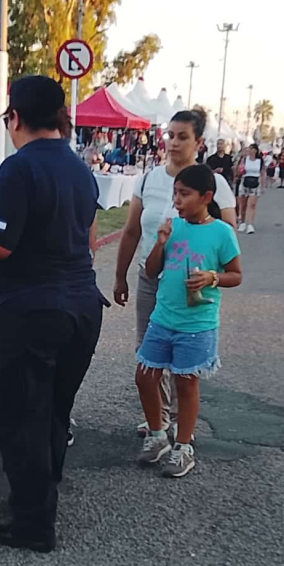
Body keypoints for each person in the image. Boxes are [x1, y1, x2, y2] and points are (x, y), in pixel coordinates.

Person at [0, 76, 105, 553]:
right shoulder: (80, 169)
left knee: (21, 417)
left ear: (14, 119)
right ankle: (43, 487)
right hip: (81, 306)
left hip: (29, 310)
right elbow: (90, 238)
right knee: (54, 407)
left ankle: (32, 522)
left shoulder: (18, 168)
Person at [113, 108, 237, 440]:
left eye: (183, 137)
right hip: (151, 276)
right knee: (149, 352)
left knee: (184, 356)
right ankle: (159, 418)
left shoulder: (214, 184)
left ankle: (184, 425)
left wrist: (211, 275)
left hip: (190, 281)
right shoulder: (150, 179)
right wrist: (120, 275)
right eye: (170, 135)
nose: (174, 142)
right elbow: (131, 231)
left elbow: (228, 232)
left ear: (198, 141)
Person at [135, 164, 242, 476]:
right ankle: (157, 437)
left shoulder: (222, 232)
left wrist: (212, 277)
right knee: (145, 376)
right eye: (175, 194)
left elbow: (236, 275)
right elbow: (151, 271)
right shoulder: (173, 227)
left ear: (206, 196)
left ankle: (183, 447)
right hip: (162, 317)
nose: (177, 201)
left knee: (186, 383)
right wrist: (160, 241)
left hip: (196, 324)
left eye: (184, 194)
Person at [237, 144, 263, 234]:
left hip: (255, 182)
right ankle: (243, 222)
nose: (250, 151)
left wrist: (263, 185)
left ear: (255, 150)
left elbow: (263, 172)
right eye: (249, 149)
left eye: (252, 149)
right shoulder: (245, 159)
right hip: (245, 181)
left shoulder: (259, 161)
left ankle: (250, 224)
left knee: (252, 205)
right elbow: (239, 170)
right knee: (243, 204)